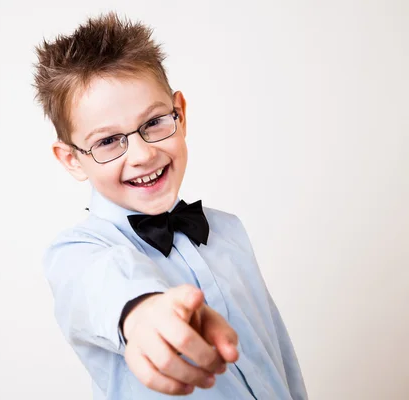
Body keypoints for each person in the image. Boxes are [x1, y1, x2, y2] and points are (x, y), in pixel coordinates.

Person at [33, 12, 307, 399]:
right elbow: (99, 286)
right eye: (108, 141)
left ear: (181, 112)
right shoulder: (78, 254)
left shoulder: (229, 232)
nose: (143, 154)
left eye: (155, 122)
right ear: (72, 159)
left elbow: (279, 357)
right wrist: (141, 311)